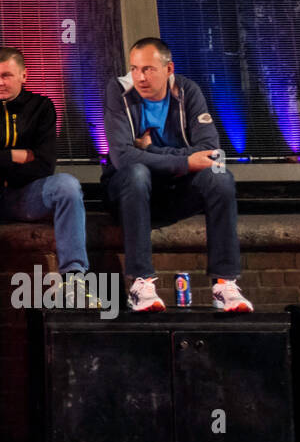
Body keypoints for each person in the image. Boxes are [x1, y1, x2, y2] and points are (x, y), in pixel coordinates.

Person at [102, 37, 252, 313]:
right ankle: (142, 283)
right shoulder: (118, 90)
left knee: (221, 176)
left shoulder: (188, 91)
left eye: (148, 69)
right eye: (134, 68)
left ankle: (224, 284)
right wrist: (185, 160)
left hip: (172, 192)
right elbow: (122, 157)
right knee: (136, 172)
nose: (140, 77)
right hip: (127, 193)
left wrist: (154, 150)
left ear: (169, 68)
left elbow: (211, 153)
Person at [0, 47, 96, 305]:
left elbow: (45, 165)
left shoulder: (42, 107)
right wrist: (14, 156)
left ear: (24, 76)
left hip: (25, 196)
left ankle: (74, 277)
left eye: (6, 75)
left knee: (68, 185)